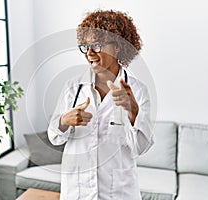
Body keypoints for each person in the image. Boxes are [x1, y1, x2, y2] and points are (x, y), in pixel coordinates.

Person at [48, 9, 154, 200]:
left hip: (119, 193)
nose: (89, 53)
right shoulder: (73, 88)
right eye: (85, 46)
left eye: (97, 45)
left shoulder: (138, 91)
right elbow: (54, 137)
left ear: (119, 46)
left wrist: (133, 111)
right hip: (78, 191)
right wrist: (64, 120)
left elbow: (141, 148)